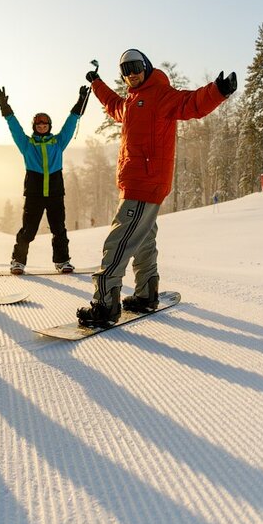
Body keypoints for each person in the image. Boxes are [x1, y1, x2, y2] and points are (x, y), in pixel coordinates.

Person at [77, 49, 236, 327]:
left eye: (136, 66)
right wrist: (96, 83)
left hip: (144, 183)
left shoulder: (162, 95)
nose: (132, 74)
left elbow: (192, 103)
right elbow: (112, 104)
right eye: (125, 70)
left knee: (118, 242)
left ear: (147, 67)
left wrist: (218, 90)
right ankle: (146, 293)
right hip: (137, 183)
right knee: (144, 239)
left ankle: (105, 304)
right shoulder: (130, 102)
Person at [0, 84, 90, 274]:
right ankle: (17, 261)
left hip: (55, 193)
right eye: (38, 125)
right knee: (28, 231)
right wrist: (6, 108)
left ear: (49, 126)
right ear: (35, 127)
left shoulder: (58, 142)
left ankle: (62, 261)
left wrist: (80, 102)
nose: (42, 127)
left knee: (58, 229)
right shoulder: (27, 144)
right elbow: (15, 129)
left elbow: (71, 124)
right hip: (34, 194)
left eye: (45, 124)